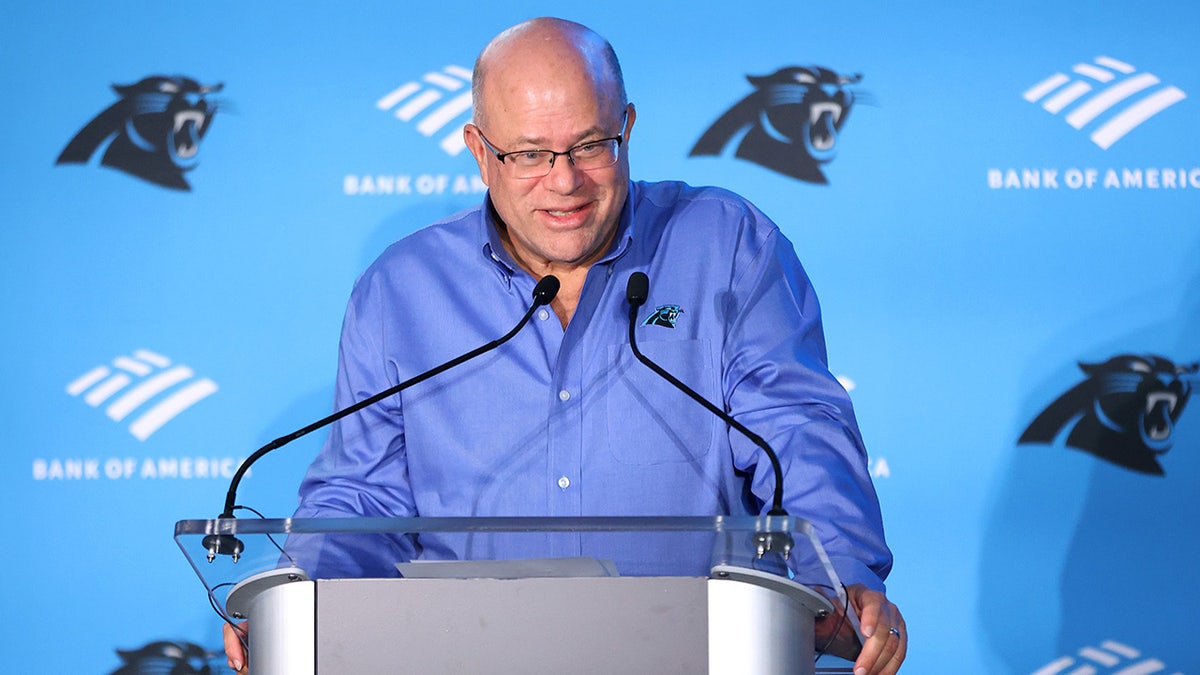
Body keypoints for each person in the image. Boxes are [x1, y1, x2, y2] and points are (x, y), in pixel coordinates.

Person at [225, 16, 905, 674]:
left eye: (589, 145)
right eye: (528, 154)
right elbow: (359, 499)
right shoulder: (400, 290)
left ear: (628, 128)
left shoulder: (726, 245)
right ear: (478, 149)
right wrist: (300, 610)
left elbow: (797, 430)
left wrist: (840, 572)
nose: (565, 180)